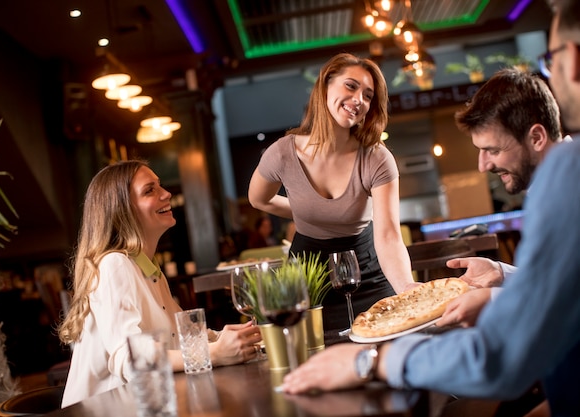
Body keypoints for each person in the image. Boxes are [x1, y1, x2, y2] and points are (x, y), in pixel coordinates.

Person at [281, 3, 580, 416]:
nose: (482, 166)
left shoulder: (569, 175)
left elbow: (499, 358)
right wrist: (502, 280)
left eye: (491, 149)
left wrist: (369, 362)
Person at [59, 160, 262, 407]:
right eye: (149, 190)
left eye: (160, 186)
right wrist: (216, 353)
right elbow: (130, 360)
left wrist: (226, 338)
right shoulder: (114, 264)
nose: (166, 194)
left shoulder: (148, 268)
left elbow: (179, 339)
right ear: (123, 210)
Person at [248, 53, 415, 331]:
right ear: (325, 86)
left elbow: (388, 236)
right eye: (351, 86)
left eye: (368, 95)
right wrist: (303, 211)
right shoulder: (282, 153)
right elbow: (257, 199)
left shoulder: (376, 158)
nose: (359, 99)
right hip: (308, 276)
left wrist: (407, 287)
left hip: (367, 272)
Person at [434, 67, 567, 328]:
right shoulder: (548, 188)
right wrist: (500, 273)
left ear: (537, 137)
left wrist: (494, 299)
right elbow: (555, 280)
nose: (483, 166)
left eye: (492, 150)